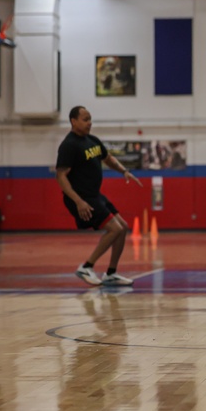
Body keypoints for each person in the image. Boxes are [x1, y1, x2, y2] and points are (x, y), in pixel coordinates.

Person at [56, 106, 142, 286]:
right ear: (74, 121)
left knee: (123, 227)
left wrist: (124, 171)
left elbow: (108, 158)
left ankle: (111, 273)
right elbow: (61, 176)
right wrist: (78, 201)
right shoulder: (69, 145)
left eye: (90, 119)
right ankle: (86, 267)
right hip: (81, 198)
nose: (89, 122)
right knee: (115, 229)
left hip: (95, 195)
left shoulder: (92, 140)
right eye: (85, 119)